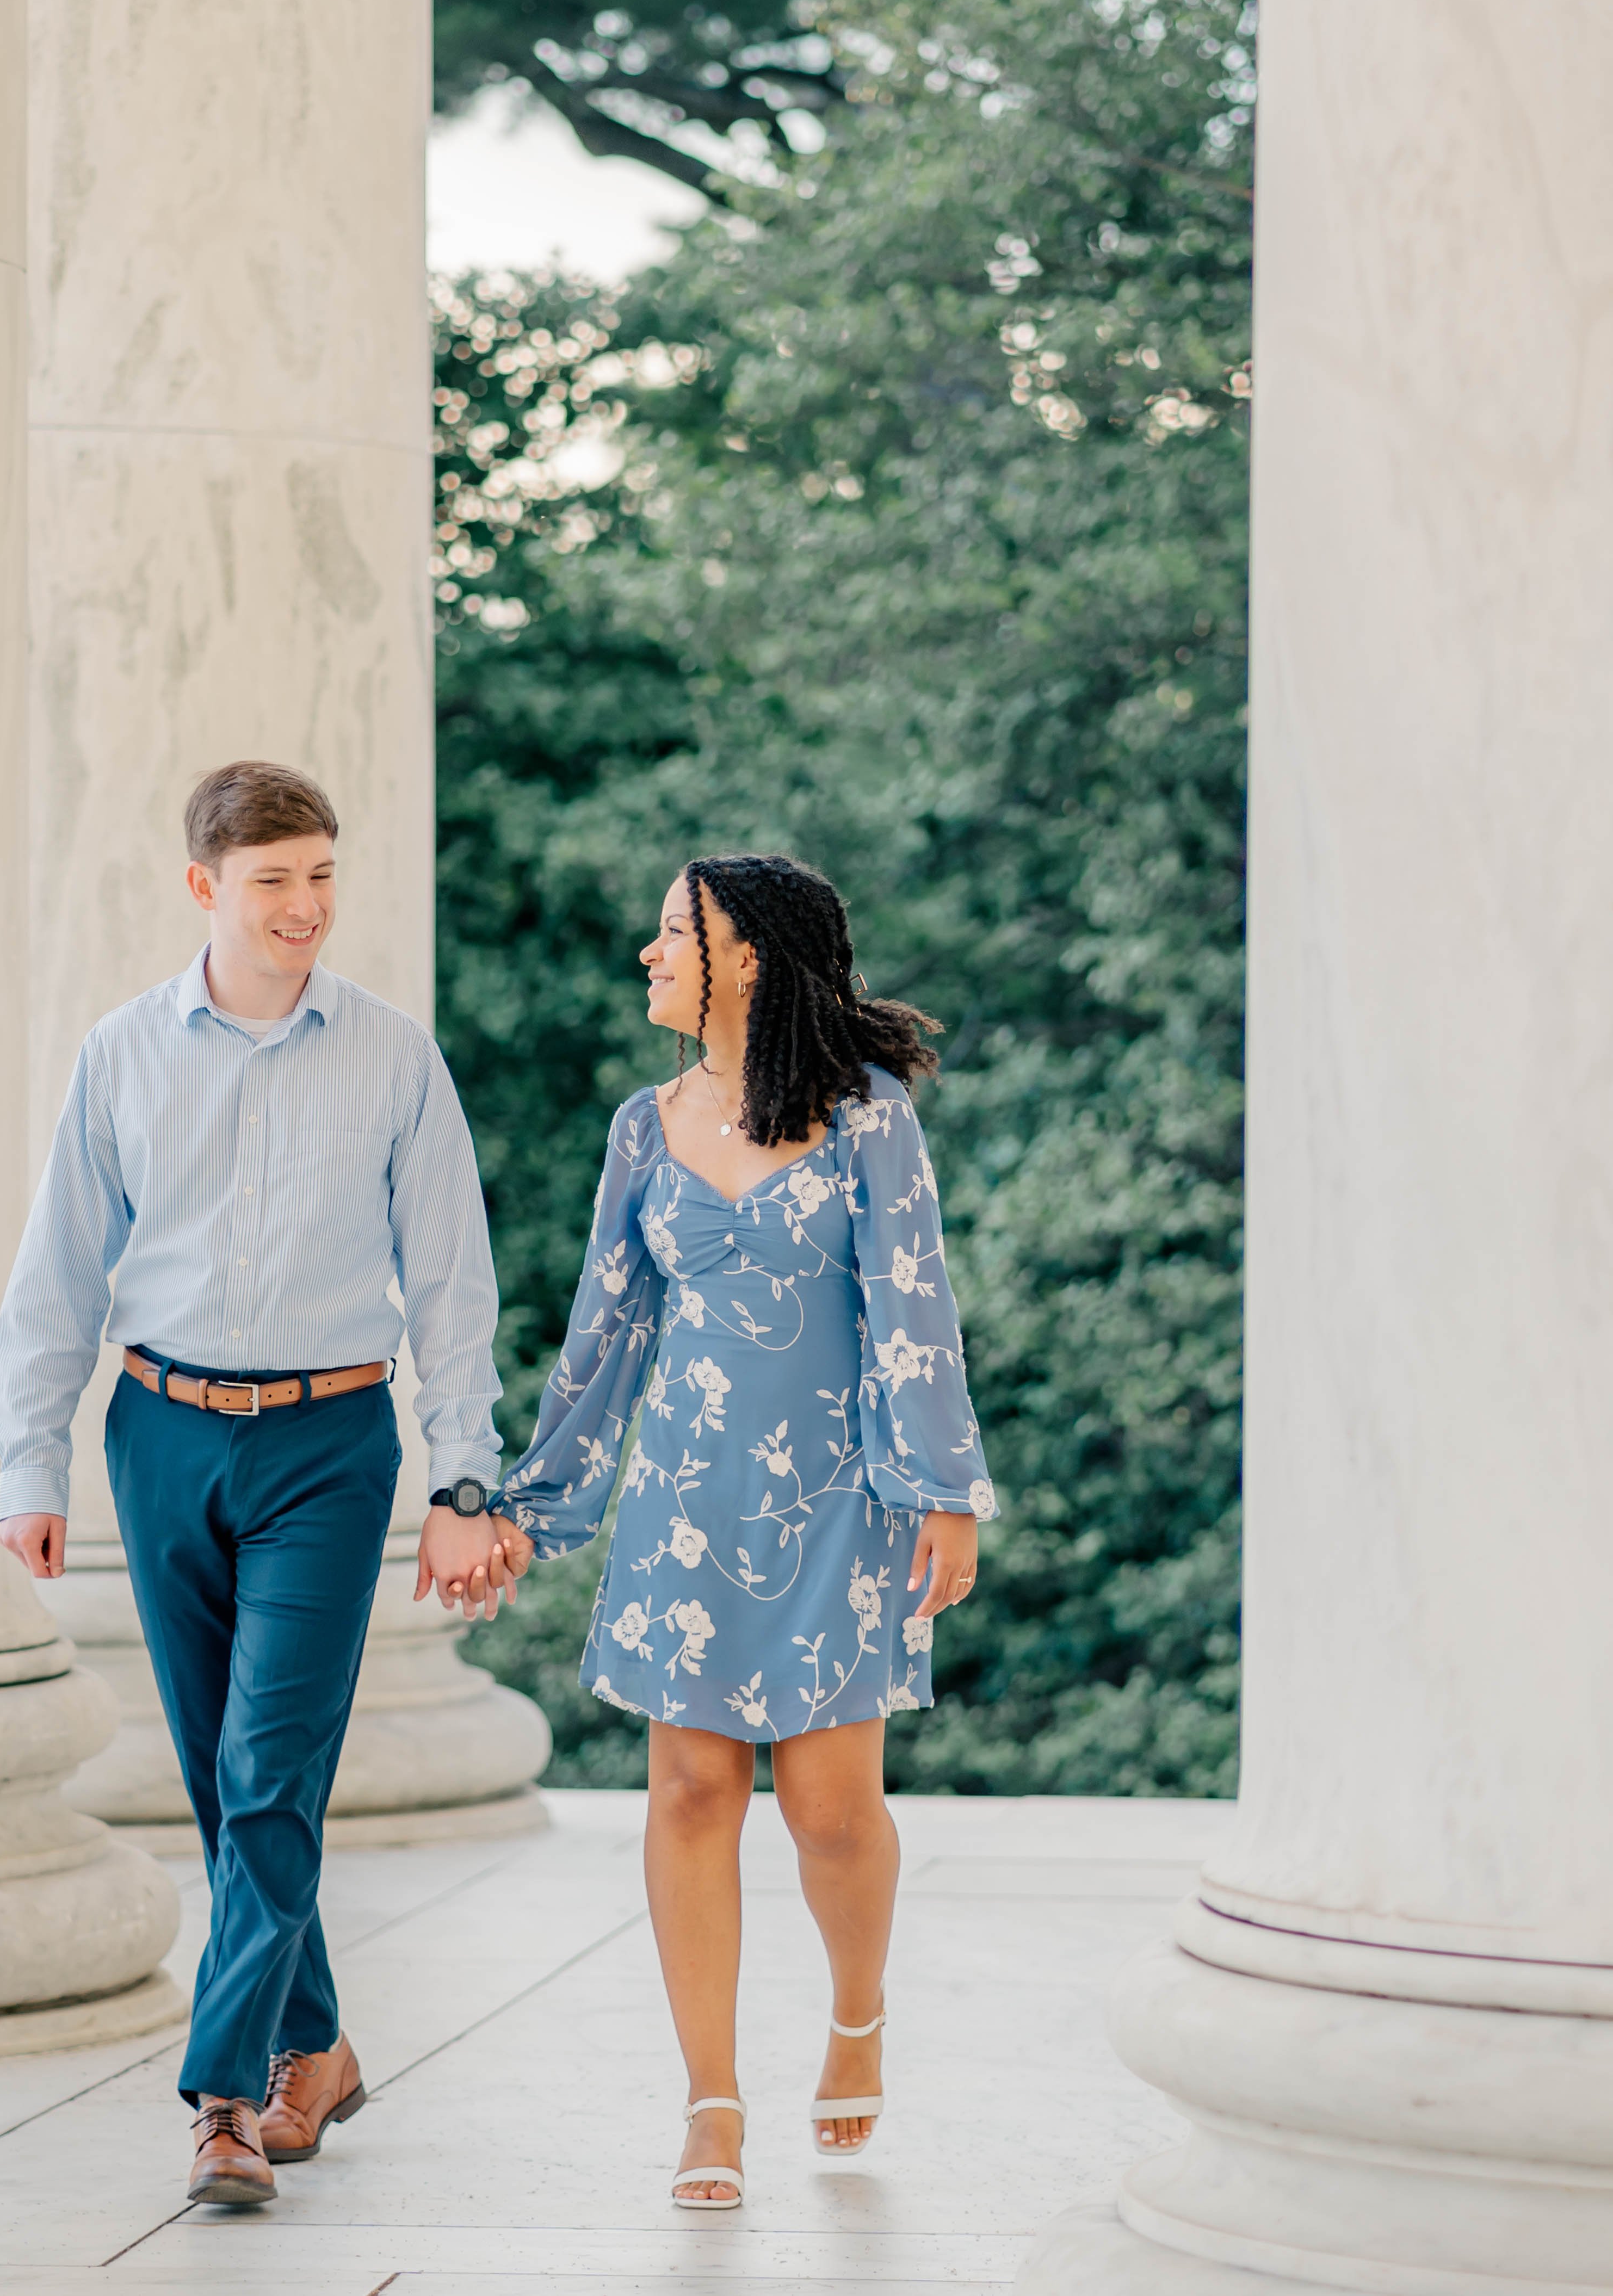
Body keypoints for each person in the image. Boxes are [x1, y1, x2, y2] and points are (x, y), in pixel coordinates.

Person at [0, 759, 526, 2210]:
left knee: (267, 1767)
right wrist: (27, 1460)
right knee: (222, 1782)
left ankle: (225, 2097)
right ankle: (319, 2040)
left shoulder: (394, 1057)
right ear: (205, 890)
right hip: (158, 1433)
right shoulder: (120, 1054)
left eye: (321, 875)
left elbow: (451, 1282)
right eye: (275, 880)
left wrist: (462, 1476)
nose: (305, 906)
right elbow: (57, 1276)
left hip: (330, 1449)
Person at [484, 852, 999, 2212]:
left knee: (830, 1810)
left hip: (841, 1501)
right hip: (683, 1511)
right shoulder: (641, 1129)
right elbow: (604, 1337)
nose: (647, 956)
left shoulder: (868, 1117)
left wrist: (944, 1490)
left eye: (672, 934)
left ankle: (857, 2007)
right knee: (691, 1792)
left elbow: (912, 1306)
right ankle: (709, 2104)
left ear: (749, 958)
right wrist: (532, 1508)